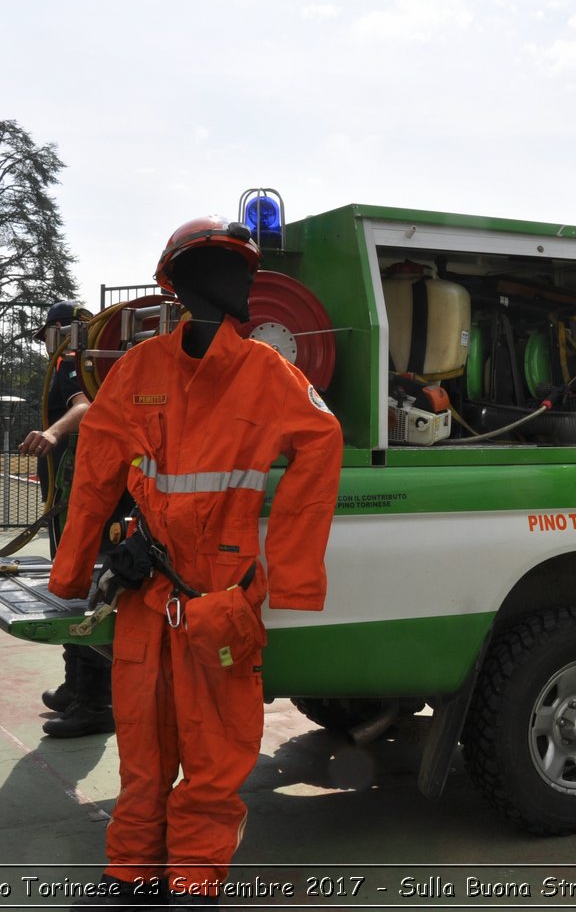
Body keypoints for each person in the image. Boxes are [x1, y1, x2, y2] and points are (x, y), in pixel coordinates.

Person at [49, 216, 343, 907]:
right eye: (216, 271)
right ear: (181, 285)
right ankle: (131, 873)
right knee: (143, 745)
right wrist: (86, 560)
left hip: (220, 592)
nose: (228, 285)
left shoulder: (268, 373)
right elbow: (95, 468)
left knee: (214, 752)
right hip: (148, 586)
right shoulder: (141, 369)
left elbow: (322, 443)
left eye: (234, 271)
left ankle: (193, 882)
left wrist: (294, 573)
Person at [18, 300, 116, 739]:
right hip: (76, 492)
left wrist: (54, 432)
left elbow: (85, 407)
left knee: (82, 588)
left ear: (60, 331)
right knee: (73, 585)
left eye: (48, 335)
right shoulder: (93, 360)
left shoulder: (71, 358)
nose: (47, 346)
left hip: (81, 495)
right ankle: (76, 687)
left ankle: (94, 701)